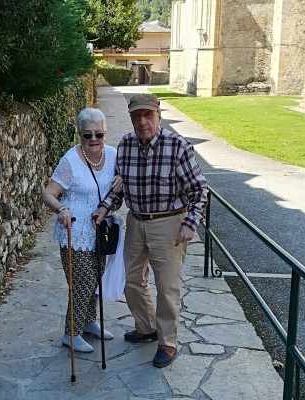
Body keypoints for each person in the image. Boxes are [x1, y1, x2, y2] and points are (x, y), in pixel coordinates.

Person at [92, 93, 208, 367]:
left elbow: (199, 189)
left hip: (169, 223)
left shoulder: (178, 146)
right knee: (132, 280)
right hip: (136, 220)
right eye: (136, 116)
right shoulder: (127, 144)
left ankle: (167, 343)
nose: (142, 121)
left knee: (166, 287)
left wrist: (190, 224)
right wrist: (104, 208)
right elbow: (119, 190)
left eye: (148, 115)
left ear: (158, 115)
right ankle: (146, 328)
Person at [42, 108, 123, 353]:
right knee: (82, 282)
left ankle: (88, 322)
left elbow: (118, 190)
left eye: (99, 133)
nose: (93, 139)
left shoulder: (112, 155)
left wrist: (123, 182)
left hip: (102, 232)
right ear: (79, 135)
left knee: (95, 279)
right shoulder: (70, 161)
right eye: (87, 135)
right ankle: (71, 332)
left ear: (105, 133)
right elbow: (48, 193)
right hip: (75, 232)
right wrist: (62, 209)